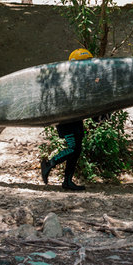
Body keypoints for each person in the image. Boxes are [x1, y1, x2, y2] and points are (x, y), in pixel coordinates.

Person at [40, 48, 94, 191]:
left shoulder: (80, 78)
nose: (87, 66)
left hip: (74, 118)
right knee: (73, 148)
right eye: (84, 63)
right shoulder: (67, 78)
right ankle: (49, 164)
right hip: (66, 119)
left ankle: (67, 181)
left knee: (77, 149)